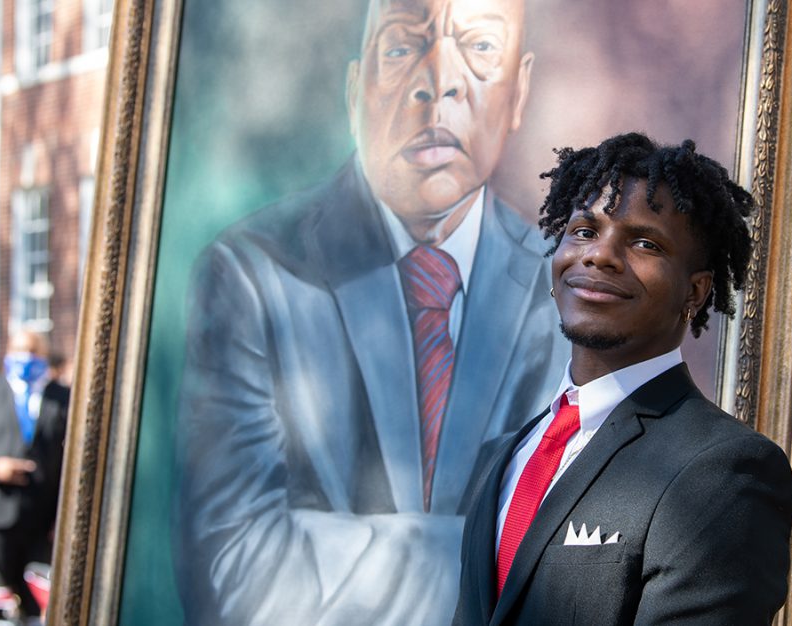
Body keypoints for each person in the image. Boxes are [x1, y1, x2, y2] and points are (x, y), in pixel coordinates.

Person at [173, 0, 565, 624]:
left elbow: (578, 568)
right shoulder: (252, 275)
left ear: (517, 94)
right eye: (403, 47)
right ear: (356, 92)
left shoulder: (561, 295)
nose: (441, 81)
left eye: (481, 48)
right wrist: (490, 560)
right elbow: (237, 568)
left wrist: (325, 551)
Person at [454, 133, 792, 625]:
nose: (600, 255)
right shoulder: (506, 455)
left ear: (696, 292)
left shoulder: (726, 472)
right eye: (584, 231)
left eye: (643, 242)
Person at [0, 329, 69, 624]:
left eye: (33, 351)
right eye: (20, 350)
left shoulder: (63, 397)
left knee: (37, 600)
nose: (26, 358)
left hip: (41, 519)